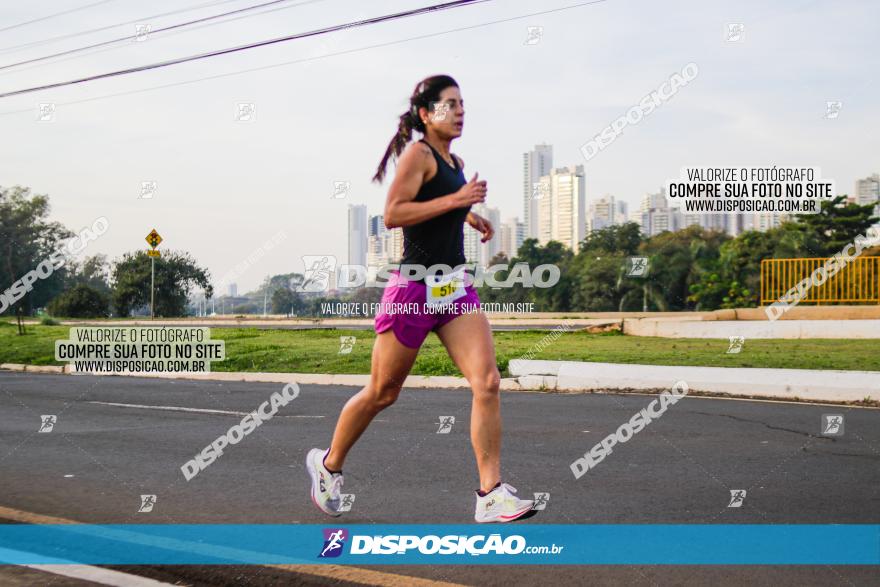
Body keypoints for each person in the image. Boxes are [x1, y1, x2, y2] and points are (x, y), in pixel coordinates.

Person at [306, 74, 534, 523]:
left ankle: (490, 494)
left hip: (453, 287)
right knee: (383, 392)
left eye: (463, 103)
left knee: (487, 381)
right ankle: (328, 465)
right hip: (412, 290)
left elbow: (440, 202)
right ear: (427, 114)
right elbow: (394, 213)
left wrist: (469, 214)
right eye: (450, 104)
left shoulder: (452, 159)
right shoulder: (418, 154)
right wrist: (459, 198)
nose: (461, 111)